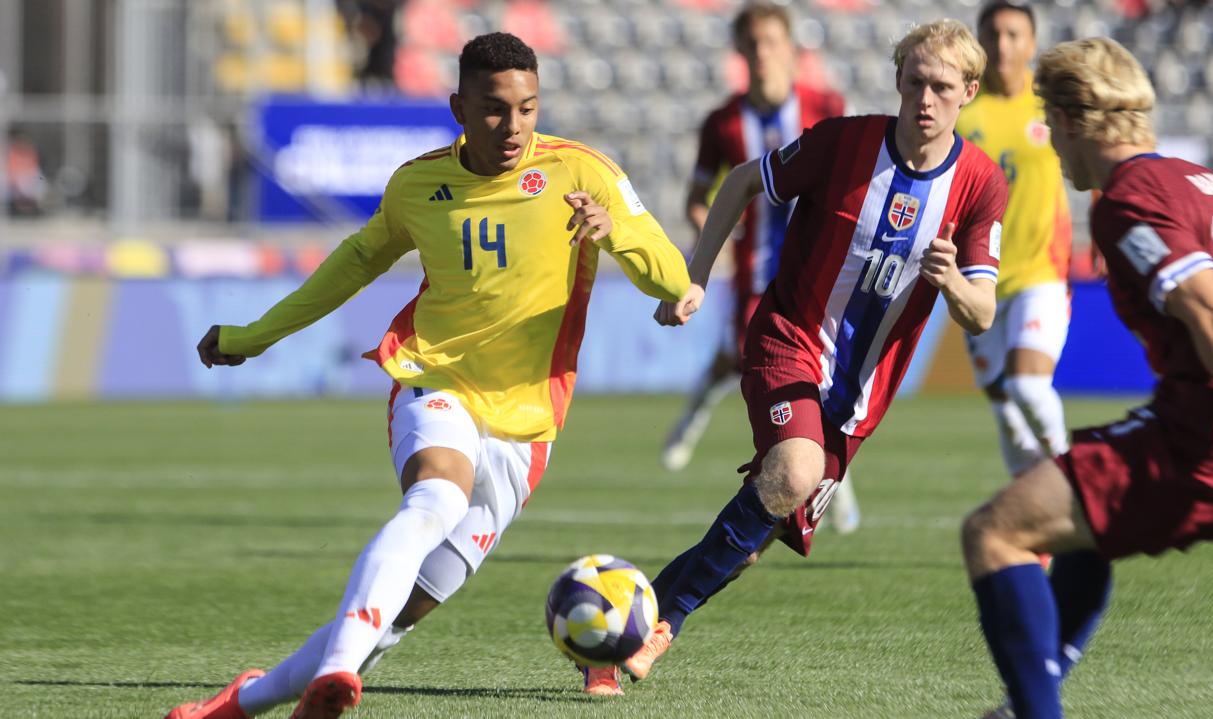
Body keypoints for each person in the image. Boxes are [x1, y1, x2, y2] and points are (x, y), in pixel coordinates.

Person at [164, 32, 689, 719]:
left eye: (527, 108)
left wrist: (611, 228)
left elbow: (672, 279)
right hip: (433, 376)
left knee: (405, 609)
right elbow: (350, 266)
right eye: (495, 109)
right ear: (459, 107)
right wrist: (255, 336)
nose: (513, 126)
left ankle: (246, 700)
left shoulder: (583, 173)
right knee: (434, 501)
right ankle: (342, 672)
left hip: (527, 424)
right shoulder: (418, 185)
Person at [626, 19, 1008, 684]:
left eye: (941, 86)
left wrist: (953, 284)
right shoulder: (845, 142)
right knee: (794, 471)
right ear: (898, 79)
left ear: (968, 91)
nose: (924, 98)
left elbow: (982, 313)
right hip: (786, 340)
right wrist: (695, 273)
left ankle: (637, 611)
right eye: (914, 81)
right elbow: (744, 179)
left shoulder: (979, 185)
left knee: (753, 534)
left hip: (857, 396)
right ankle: (661, 624)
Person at [961, 38, 1213, 719]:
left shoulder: (1129, 197)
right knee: (1073, 509)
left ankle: (1034, 709)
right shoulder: (1207, 185)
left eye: (1048, 122)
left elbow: (1211, 313)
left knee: (995, 531)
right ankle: (1029, 698)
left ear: (1067, 121)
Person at [663, 0, 862, 536]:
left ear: (791, 51)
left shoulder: (825, 106)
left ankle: (823, 483)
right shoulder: (724, 123)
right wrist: (710, 234)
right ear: (740, 52)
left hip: (819, 270)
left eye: (772, 43)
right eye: (752, 44)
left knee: (822, 377)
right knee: (745, 363)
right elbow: (698, 197)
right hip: (754, 273)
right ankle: (700, 422)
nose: (762, 55)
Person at [956, 0, 1072, 479]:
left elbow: (1100, 159)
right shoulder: (961, 112)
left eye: (1012, 34)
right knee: (1006, 410)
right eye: (993, 34)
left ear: (1031, 42)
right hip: (977, 280)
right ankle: (1037, 528)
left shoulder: (1053, 105)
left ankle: (1074, 480)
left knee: (1027, 388)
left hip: (1041, 273)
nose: (1002, 45)